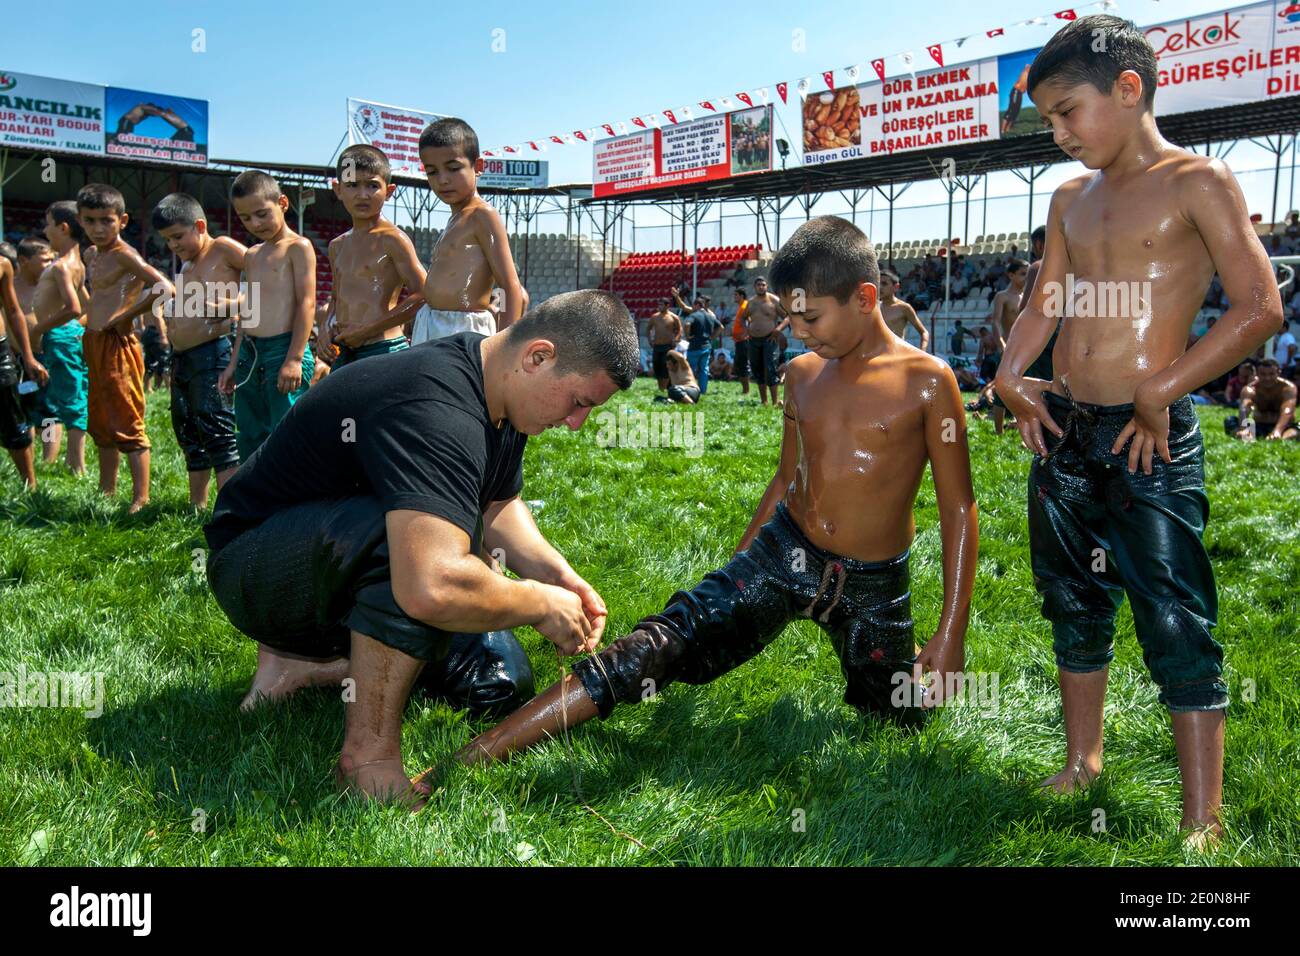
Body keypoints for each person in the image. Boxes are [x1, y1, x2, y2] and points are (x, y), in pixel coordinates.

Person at [455, 216, 978, 772]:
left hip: (874, 581)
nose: (798, 332)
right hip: (786, 552)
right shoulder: (802, 374)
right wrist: (742, 565)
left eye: (810, 317)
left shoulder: (928, 381)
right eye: (789, 317)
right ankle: (475, 755)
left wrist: (950, 634)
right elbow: (785, 479)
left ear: (865, 298)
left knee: (900, 713)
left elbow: (959, 509)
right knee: (660, 643)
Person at [995, 14, 1285, 845]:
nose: (1057, 134)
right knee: (1073, 599)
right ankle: (1083, 761)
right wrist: (1012, 375)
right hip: (1067, 430)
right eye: (1046, 120)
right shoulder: (1068, 198)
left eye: (1066, 112)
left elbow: (1259, 307)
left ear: (1129, 90)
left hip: (1147, 435)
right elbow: (1049, 298)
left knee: (1172, 612)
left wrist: (1163, 387)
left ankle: (1205, 816)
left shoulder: (1199, 182)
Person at [204, 290, 640, 806]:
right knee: (412, 553)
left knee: (497, 679)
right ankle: (367, 761)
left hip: (327, 557)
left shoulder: (499, 385)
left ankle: (309, 666)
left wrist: (556, 575)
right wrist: (540, 604)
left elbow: (496, 504)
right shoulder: (435, 401)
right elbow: (432, 583)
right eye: (580, 402)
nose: (576, 423)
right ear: (538, 356)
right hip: (253, 566)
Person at [78, 183, 171, 512]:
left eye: (106, 220)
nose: (98, 228)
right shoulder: (91, 254)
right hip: (94, 341)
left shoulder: (125, 255)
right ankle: (106, 490)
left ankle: (141, 497)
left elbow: (164, 287)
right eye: (90, 221)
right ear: (80, 220)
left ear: (123, 220)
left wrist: (126, 316)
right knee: (100, 419)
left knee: (128, 419)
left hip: (120, 344)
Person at [151, 193, 247, 508]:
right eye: (167, 240)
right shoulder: (189, 263)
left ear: (200, 225)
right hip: (185, 357)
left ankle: (230, 510)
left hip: (215, 350)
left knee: (217, 430)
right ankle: (198, 506)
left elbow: (269, 280)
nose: (173, 245)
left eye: (178, 236)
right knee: (189, 429)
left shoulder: (223, 249)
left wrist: (228, 305)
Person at [217, 170, 315, 461]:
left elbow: (306, 303)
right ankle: (255, 501)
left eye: (262, 214)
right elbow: (248, 311)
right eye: (246, 218)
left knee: (285, 432)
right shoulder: (252, 254)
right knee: (249, 432)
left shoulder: (299, 247)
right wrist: (233, 363)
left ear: (283, 203)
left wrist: (295, 358)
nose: (255, 224)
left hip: (283, 350)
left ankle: (289, 503)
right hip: (250, 353)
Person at [409, 118, 526, 343]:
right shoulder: (455, 220)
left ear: (478, 167)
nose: (443, 180)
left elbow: (510, 286)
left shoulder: (482, 215)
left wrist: (506, 346)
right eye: (432, 172)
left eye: (453, 168)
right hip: (433, 322)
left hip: (461, 329)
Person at [321, 145, 428, 366]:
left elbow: (424, 294)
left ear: (388, 191)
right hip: (344, 350)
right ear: (338, 189)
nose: (363, 194)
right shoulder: (337, 246)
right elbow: (336, 297)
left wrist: (368, 330)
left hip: (384, 349)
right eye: (352, 185)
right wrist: (324, 328)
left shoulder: (393, 240)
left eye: (372, 185)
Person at [28, 204, 91, 475]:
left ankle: (77, 463)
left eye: (48, 223)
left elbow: (75, 307)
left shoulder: (64, 266)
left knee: (71, 398)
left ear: (63, 228)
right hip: (68, 334)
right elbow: (88, 306)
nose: (45, 230)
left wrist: (39, 329)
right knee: (65, 395)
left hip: (60, 335)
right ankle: (68, 459)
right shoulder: (76, 264)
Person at [0, 238, 47, 489]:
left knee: (14, 419)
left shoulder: (3, 265)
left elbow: (14, 311)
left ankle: (30, 486)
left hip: (0, 353)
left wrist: (28, 357)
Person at [11, 237, 59, 461]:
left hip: (46, 355)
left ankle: (49, 460)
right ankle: (30, 454)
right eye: (44, 260)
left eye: (52, 260)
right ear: (24, 260)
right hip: (16, 357)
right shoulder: (9, 286)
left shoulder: (54, 284)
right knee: (22, 409)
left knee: (48, 411)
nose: (50, 265)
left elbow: (82, 309)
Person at [987, 258, 1029, 434]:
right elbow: (995, 322)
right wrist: (1002, 344)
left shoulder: (1028, 296)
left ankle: (1021, 425)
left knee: (1025, 388)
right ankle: (998, 432)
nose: (1026, 278)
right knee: (1002, 389)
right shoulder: (1002, 296)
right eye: (1022, 274)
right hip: (1009, 347)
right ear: (1010, 275)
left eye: (1028, 274)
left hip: (1026, 349)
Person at [746, 276, 790, 406]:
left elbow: (787, 317)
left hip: (769, 339)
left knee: (770, 369)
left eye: (763, 285)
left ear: (766, 286)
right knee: (757, 368)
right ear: (754, 287)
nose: (761, 287)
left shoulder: (774, 300)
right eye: (758, 285)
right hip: (754, 339)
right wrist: (748, 329)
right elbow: (744, 317)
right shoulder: (751, 302)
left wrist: (778, 329)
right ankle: (764, 401)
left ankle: (775, 401)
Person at [1229, 358, 1297, 441]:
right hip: (1260, 425)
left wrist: (1277, 431)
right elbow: (1244, 408)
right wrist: (1244, 429)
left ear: (1278, 373)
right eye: (1263, 374)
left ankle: (1282, 437)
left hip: (1284, 426)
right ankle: (1246, 435)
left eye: (1271, 374)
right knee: (1230, 420)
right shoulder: (1250, 389)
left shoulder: (1287, 388)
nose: (1267, 378)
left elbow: (1287, 410)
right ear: (1257, 374)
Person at [676, 288, 720, 394]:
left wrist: (687, 336)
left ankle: (690, 389)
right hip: (707, 345)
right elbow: (720, 327)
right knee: (704, 370)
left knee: (690, 368)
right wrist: (711, 338)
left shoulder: (696, 314)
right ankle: (702, 391)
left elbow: (687, 324)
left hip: (696, 346)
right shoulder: (710, 315)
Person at [879, 270, 929, 351]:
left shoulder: (904, 308)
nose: (880, 287)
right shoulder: (874, 308)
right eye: (878, 283)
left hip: (897, 355)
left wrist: (923, 351)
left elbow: (924, 332)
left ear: (896, 287)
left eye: (884, 284)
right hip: (878, 356)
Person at [646, 298, 682, 392]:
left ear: (667, 306)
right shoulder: (654, 317)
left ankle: (664, 389)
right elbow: (648, 329)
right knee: (657, 366)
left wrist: (676, 339)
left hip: (668, 346)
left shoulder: (674, 317)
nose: (659, 307)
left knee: (665, 367)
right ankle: (660, 387)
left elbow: (679, 330)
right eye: (659, 305)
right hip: (657, 346)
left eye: (661, 305)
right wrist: (650, 340)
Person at [730, 288, 751, 395]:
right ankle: (745, 389)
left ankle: (746, 390)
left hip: (744, 341)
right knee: (739, 364)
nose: (734, 297)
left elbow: (749, 322)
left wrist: (745, 335)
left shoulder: (745, 306)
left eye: (736, 295)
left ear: (742, 296)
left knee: (743, 364)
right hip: (739, 340)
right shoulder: (741, 307)